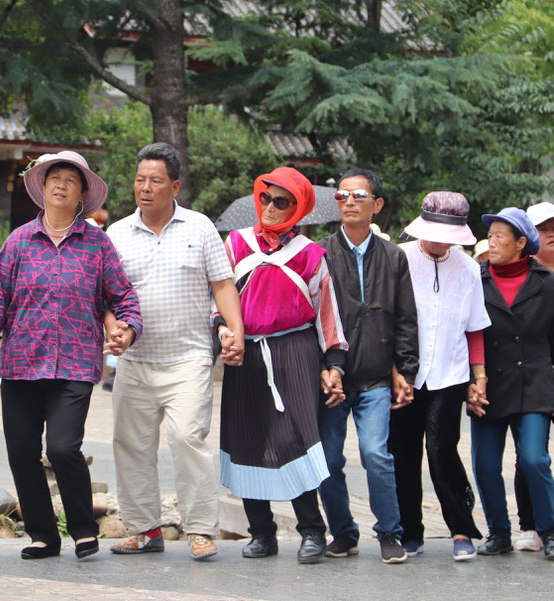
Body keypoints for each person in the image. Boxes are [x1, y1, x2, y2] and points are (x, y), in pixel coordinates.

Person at [0, 150, 142, 560]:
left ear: (82, 192)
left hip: (75, 364)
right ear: (43, 187)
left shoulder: (98, 244)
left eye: (71, 179)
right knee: (22, 451)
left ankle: (83, 529)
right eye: (54, 177)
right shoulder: (17, 242)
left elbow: (125, 297)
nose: (61, 184)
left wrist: (128, 330)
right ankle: (43, 535)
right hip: (21, 364)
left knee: (64, 447)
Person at [106, 142, 244, 561]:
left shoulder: (199, 227)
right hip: (135, 361)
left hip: (188, 358)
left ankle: (200, 529)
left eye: (155, 181)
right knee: (130, 444)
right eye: (139, 180)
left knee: (188, 438)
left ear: (175, 185)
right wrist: (114, 330)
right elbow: (107, 297)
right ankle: (144, 529)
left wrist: (235, 332)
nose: (145, 188)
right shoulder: (116, 233)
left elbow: (223, 284)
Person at [220, 167, 348, 563]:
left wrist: (334, 365)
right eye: (266, 198)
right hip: (245, 352)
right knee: (248, 439)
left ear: (299, 208)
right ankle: (261, 532)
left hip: (296, 352)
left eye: (281, 202)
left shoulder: (311, 255)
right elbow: (218, 298)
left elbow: (328, 316)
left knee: (296, 439)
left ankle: (312, 531)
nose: (270, 208)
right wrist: (224, 332)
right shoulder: (235, 244)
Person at [317, 168, 418, 564]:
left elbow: (406, 319)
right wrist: (329, 366)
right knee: (328, 459)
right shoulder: (319, 254)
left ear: (376, 204)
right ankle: (343, 532)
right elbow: (317, 319)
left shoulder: (395, 258)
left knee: (376, 454)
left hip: (376, 378)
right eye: (342, 196)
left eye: (358, 195)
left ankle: (390, 533)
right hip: (333, 378)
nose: (349, 202)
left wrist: (405, 372)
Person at [389, 192, 490, 561]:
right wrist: (395, 371)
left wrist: (479, 378)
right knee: (403, 452)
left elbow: (475, 328)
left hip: (450, 372)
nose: (436, 240)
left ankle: (462, 529)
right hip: (406, 373)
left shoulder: (467, 268)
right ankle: (410, 531)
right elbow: (390, 323)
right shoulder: (401, 258)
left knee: (441, 449)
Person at [468, 207, 554, 560]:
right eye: (490, 235)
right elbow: (468, 332)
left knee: (534, 459)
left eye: (501, 235)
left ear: (521, 243)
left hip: (535, 383)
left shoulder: (547, 282)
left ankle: (548, 530)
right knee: (486, 465)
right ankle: (498, 533)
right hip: (489, 385)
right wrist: (473, 382)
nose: (493, 240)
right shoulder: (476, 279)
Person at [510, 201, 554, 552]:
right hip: (531, 377)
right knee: (530, 454)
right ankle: (532, 525)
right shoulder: (519, 273)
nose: (551, 234)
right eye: (543, 228)